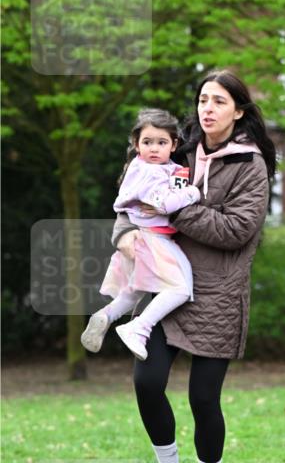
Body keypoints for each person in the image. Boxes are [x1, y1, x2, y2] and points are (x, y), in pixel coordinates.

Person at [111, 71, 275, 463]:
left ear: (238, 111)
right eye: (203, 99)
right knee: (147, 383)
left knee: (203, 399)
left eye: (219, 101)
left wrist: (177, 208)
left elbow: (236, 229)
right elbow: (132, 201)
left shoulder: (250, 165)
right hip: (164, 284)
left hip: (218, 293)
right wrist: (123, 235)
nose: (208, 108)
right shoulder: (176, 150)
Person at [81, 109, 201, 361]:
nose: (154, 148)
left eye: (161, 142)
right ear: (137, 144)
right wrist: (193, 193)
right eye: (147, 142)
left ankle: (105, 316)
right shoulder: (149, 171)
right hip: (153, 240)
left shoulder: (146, 167)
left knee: (135, 290)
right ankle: (140, 328)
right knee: (181, 288)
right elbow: (165, 204)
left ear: (174, 145)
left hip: (140, 239)